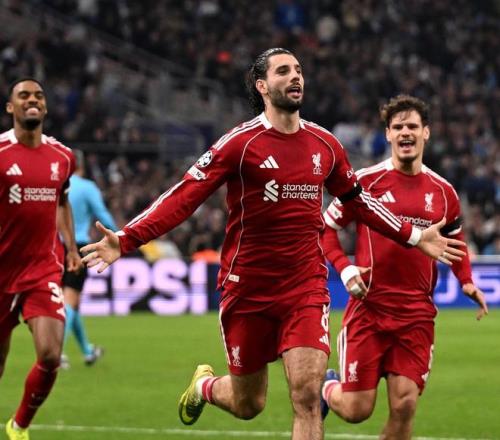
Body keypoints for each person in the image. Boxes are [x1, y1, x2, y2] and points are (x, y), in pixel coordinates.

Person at [81, 50, 464, 440]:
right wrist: (126, 239)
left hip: (305, 287)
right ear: (262, 85)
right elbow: (184, 197)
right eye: (284, 71)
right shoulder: (240, 144)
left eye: (298, 70)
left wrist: (415, 236)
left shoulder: (325, 144)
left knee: (308, 396)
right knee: (249, 403)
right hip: (248, 289)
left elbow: (359, 201)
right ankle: (205, 387)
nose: (295, 76)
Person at [320, 95, 488, 440]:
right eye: (398, 127)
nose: (405, 132)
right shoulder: (364, 183)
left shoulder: (444, 192)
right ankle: (327, 387)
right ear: (388, 134)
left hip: (416, 315)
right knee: (356, 410)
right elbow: (325, 229)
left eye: (412, 126)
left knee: (405, 405)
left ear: (426, 132)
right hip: (369, 309)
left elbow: (455, 238)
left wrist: (466, 280)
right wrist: (345, 269)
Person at [0, 78, 81, 440]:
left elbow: (62, 201)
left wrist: (71, 247)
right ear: (11, 107)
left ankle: (19, 426)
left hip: (42, 269)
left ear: (45, 107)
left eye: (38, 96)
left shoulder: (63, 157)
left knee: (50, 355)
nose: (32, 100)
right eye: (23, 95)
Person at [60, 149, 117, 369]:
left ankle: (87, 350)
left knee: (70, 302)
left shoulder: (57, 185)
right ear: (82, 166)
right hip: (78, 247)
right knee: (71, 299)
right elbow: (102, 215)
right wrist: (119, 235)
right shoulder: (87, 187)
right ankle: (57, 351)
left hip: (55, 246)